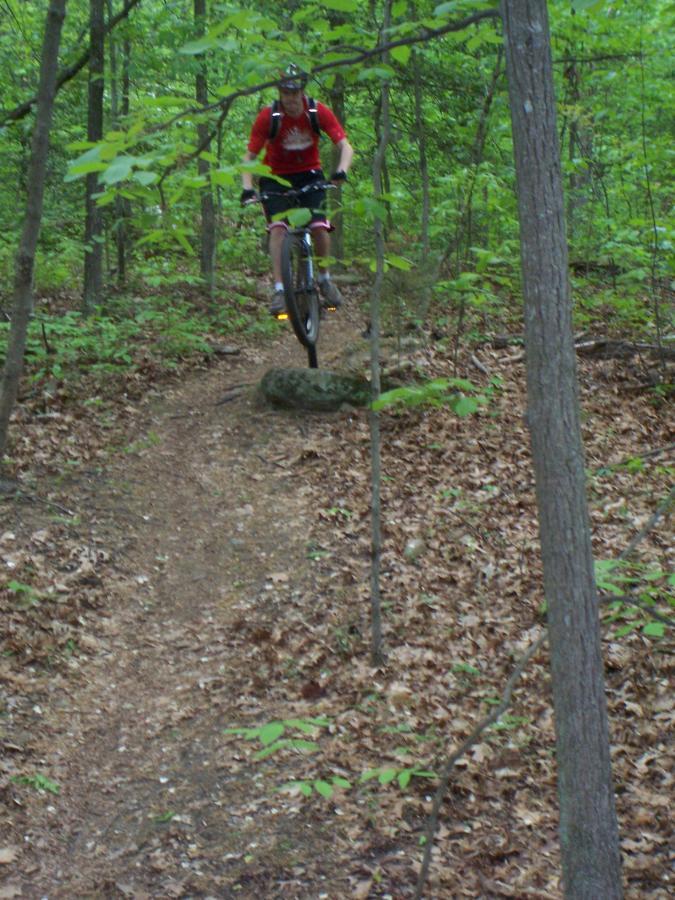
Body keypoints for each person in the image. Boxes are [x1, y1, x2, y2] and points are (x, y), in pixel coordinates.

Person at [240, 64, 354, 316]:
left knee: (319, 226)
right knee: (278, 229)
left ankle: (324, 278)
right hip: (276, 178)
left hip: (310, 175)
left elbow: (345, 146)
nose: (290, 99)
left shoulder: (317, 111)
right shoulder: (268, 117)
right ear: (279, 92)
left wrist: (341, 171)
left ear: (302, 91)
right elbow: (249, 156)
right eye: (285, 93)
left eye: (294, 93)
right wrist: (247, 188)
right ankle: (280, 289)